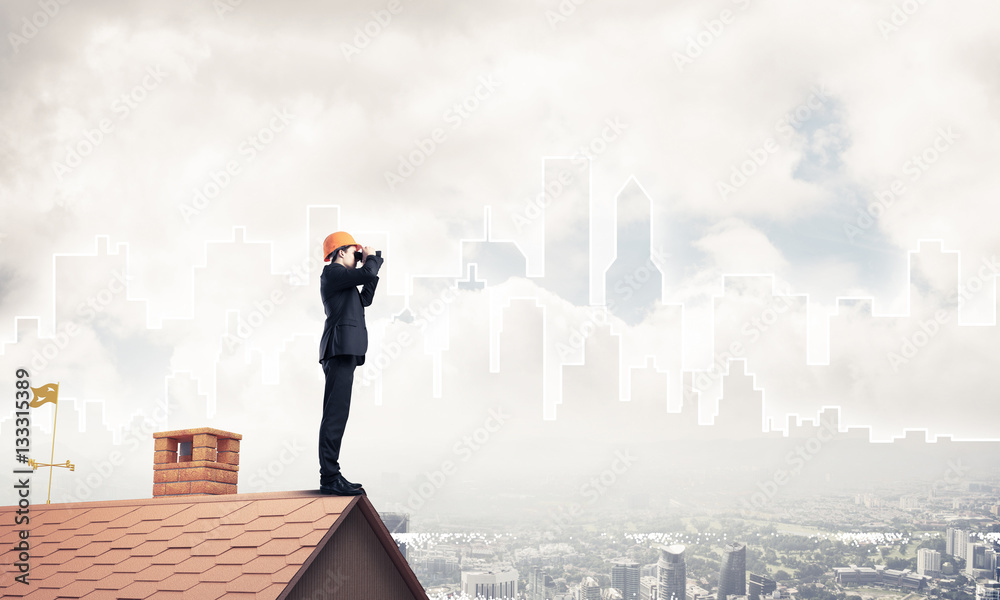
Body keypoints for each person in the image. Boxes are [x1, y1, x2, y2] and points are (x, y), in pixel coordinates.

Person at [317, 231, 384, 496]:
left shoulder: (346, 285)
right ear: (341, 252)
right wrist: (369, 260)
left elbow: (365, 297)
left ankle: (332, 476)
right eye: (354, 254)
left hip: (345, 350)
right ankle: (330, 478)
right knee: (334, 415)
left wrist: (373, 260)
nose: (357, 259)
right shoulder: (332, 273)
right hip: (338, 348)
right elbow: (365, 274)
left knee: (339, 414)